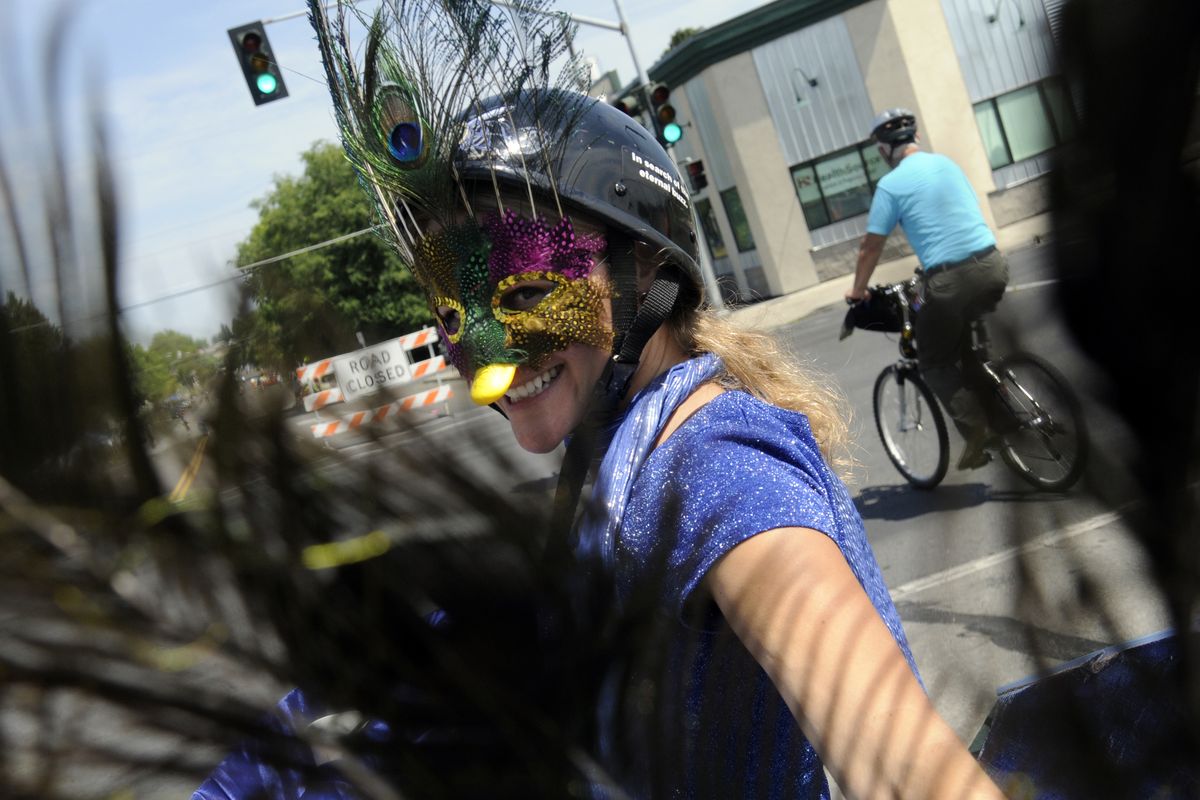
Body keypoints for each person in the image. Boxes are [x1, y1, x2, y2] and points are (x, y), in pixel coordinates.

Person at [195, 3, 1005, 797]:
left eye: (528, 290)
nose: (486, 367)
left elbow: (908, 773)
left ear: (642, 272)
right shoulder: (619, 448)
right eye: (451, 315)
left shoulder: (714, 467)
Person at [846, 109, 1010, 470]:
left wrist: (857, 292)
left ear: (884, 150)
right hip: (994, 263)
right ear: (915, 138)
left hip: (951, 279)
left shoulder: (891, 185)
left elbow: (870, 248)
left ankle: (979, 434)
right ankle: (1003, 401)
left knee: (933, 361)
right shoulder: (947, 164)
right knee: (966, 348)